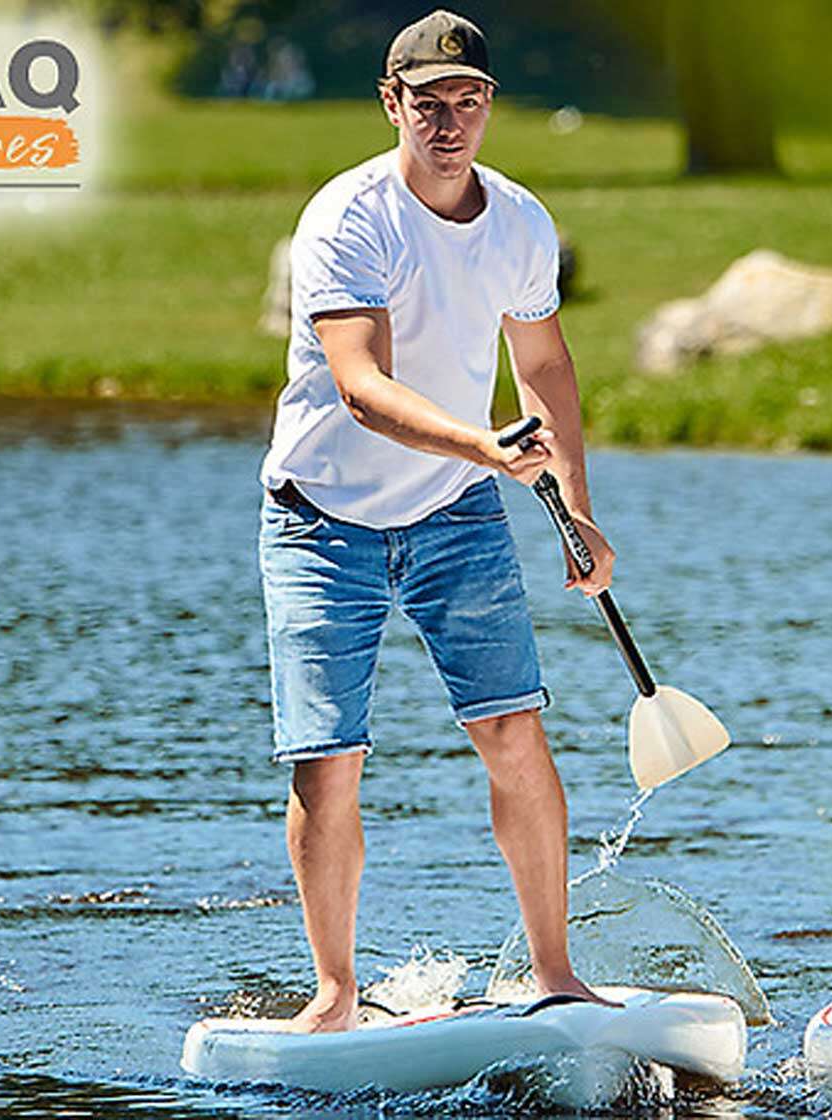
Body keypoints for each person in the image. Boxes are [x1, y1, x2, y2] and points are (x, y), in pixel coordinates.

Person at [258, 9, 613, 1032]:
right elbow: (363, 386)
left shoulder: (519, 222)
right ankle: (334, 994)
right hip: (320, 518)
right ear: (391, 104)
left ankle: (555, 970)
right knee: (329, 761)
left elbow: (544, 367)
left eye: (468, 101)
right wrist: (487, 449)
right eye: (428, 103)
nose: (449, 122)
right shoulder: (347, 218)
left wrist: (577, 513)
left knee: (513, 730)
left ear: (488, 106)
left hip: (452, 509)